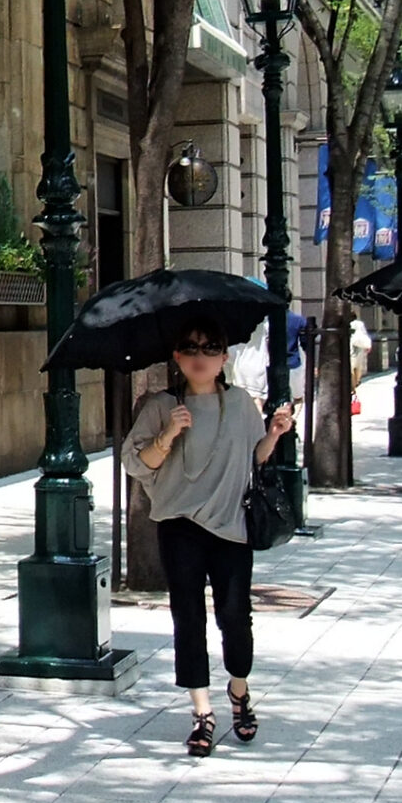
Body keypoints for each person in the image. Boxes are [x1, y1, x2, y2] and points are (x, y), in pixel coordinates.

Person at [123, 319, 299, 757]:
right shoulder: (162, 406)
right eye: (190, 347)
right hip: (179, 525)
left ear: (224, 358)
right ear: (178, 358)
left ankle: (239, 691)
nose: (200, 355)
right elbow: (136, 463)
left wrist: (274, 434)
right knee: (188, 620)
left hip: (231, 526)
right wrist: (168, 433)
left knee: (236, 618)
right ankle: (202, 712)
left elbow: (251, 456)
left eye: (211, 347)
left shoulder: (239, 404)